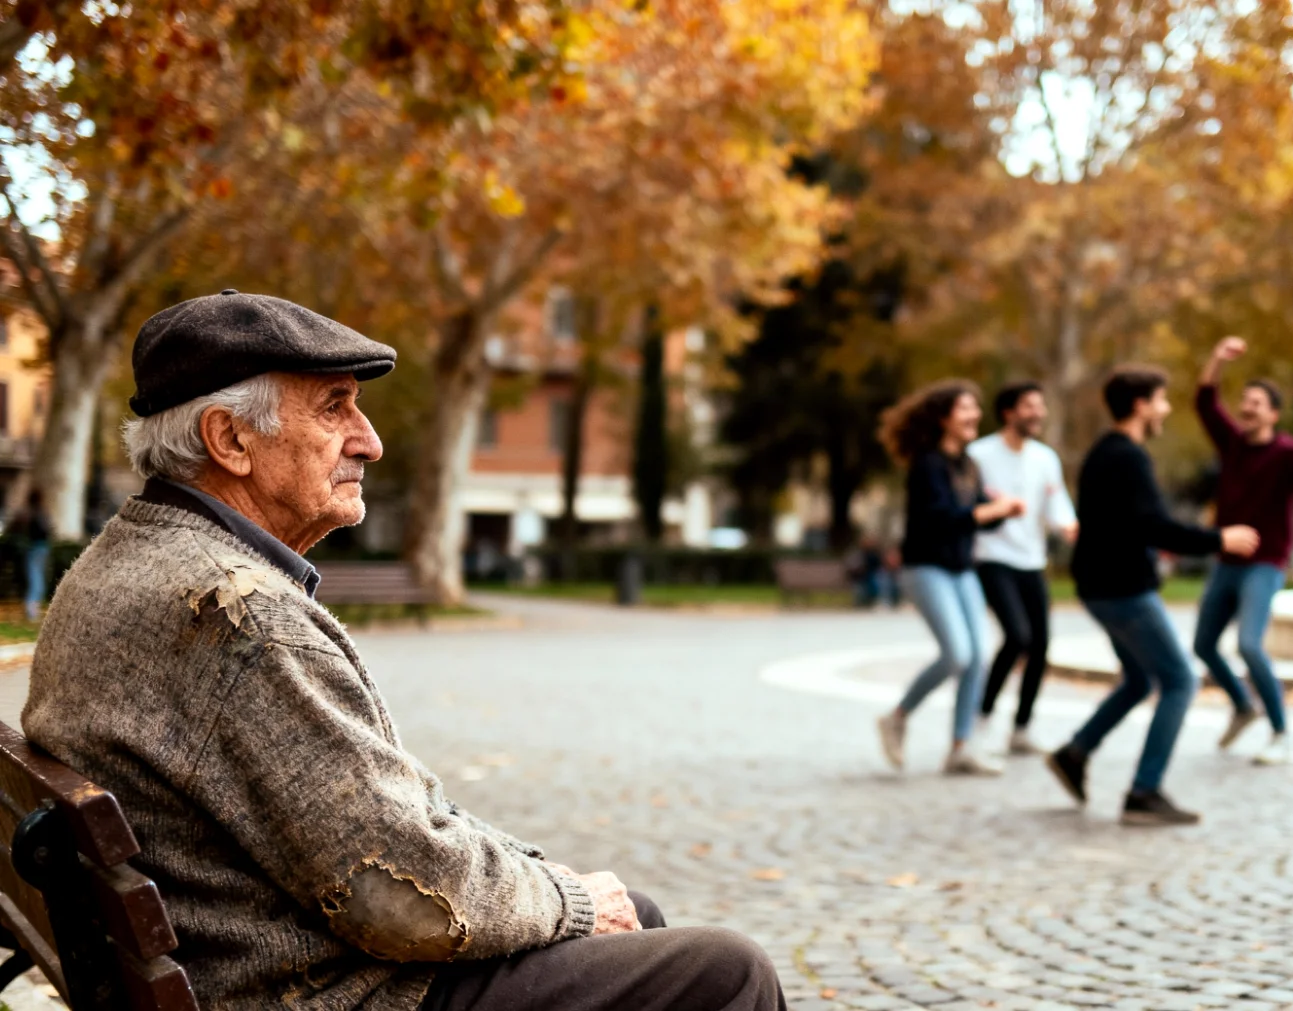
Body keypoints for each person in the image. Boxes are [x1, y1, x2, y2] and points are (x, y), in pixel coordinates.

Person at [25, 291, 786, 1010]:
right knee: (726, 970)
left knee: (634, 914)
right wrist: (573, 899)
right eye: (334, 408)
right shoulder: (237, 616)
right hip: (319, 991)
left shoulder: (118, 562)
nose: (370, 440)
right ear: (230, 440)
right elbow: (401, 891)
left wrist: (549, 886)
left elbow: (390, 825)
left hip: (229, 969)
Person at [1045, 365, 1259, 826]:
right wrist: (1218, 539)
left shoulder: (1104, 452)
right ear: (1140, 405)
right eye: (1161, 400)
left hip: (1099, 587)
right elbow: (1155, 526)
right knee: (1180, 680)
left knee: (1140, 680)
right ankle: (1144, 792)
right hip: (1124, 589)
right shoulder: (1128, 457)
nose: (1166, 409)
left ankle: (1074, 754)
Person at [1193, 336, 1293, 765]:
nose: (1247, 408)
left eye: (1256, 403)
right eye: (1245, 401)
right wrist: (1216, 358)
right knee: (1203, 646)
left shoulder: (1287, 455)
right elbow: (1205, 402)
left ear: (1274, 414)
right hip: (1226, 561)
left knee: (1249, 644)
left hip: (1264, 563)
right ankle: (1243, 706)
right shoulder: (1232, 444)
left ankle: (1281, 733)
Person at [875, 380, 1026, 776]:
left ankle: (961, 747)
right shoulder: (927, 465)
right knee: (958, 654)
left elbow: (976, 517)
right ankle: (897, 717)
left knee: (978, 656)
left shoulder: (967, 465)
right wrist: (989, 511)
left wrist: (1002, 511)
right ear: (943, 418)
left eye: (975, 408)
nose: (975, 415)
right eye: (965, 408)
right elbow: (941, 519)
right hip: (926, 568)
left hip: (961, 568)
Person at [967, 381, 1078, 756]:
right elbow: (968, 504)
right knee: (1017, 636)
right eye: (1030, 406)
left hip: (1032, 559)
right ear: (1008, 413)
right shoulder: (979, 455)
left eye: (1040, 406)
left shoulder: (1045, 458)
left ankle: (1021, 728)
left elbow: (1056, 503)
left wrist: (1068, 525)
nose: (1038, 413)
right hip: (992, 557)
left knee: (1041, 645)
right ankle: (980, 717)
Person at [14, 489, 50, 621]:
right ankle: (32, 609)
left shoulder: (28, 512)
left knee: (34, 577)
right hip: (41, 547)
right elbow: (47, 530)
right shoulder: (42, 513)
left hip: (34, 547)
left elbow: (17, 527)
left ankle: (32, 608)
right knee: (37, 578)